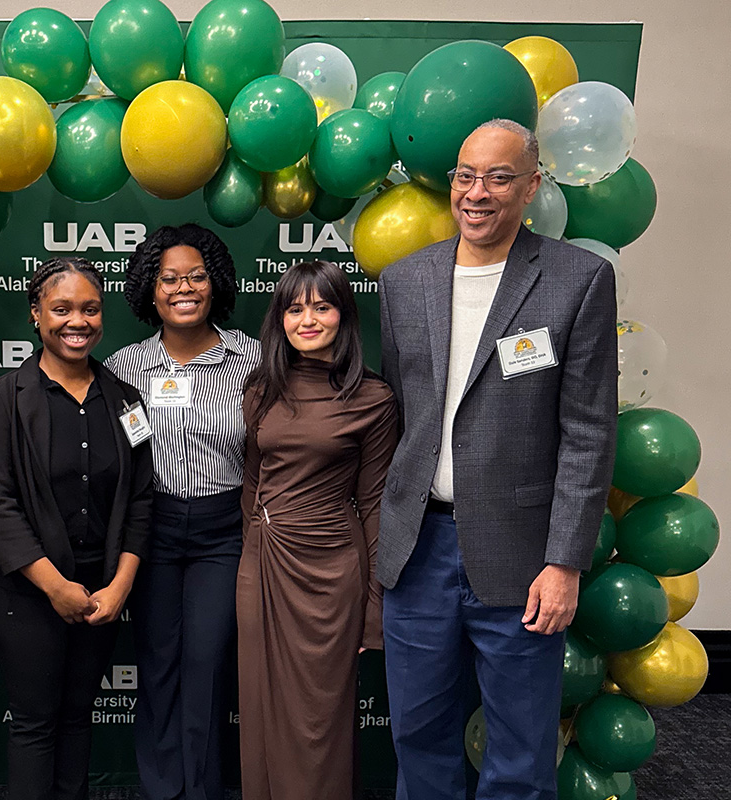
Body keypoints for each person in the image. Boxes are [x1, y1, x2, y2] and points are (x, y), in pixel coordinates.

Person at [377, 120, 617, 800]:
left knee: (520, 747)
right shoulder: (404, 281)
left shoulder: (578, 280)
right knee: (418, 735)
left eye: (499, 176)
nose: (477, 192)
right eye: (465, 175)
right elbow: (403, 414)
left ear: (533, 184)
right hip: (417, 550)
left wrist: (565, 561)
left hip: (523, 555)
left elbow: (588, 431)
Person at [0, 256, 153, 800]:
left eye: (90, 309)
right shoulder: (3, 399)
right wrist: (55, 588)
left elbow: (141, 498)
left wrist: (120, 586)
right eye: (61, 309)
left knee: (79, 718)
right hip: (29, 592)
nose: (77, 321)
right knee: (35, 723)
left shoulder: (125, 399)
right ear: (35, 314)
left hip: (101, 591)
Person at [105, 224, 260, 800]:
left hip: (225, 529)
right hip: (153, 530)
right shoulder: (126, 366)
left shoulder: (252, 357)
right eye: (169, 278)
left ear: (215, 283)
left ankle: (203, 789)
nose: (183, 288)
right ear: (150, 290)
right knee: (158, 663)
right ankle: (162, 790)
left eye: (195, 276)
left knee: (208, 660)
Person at [237, 260, 397, 799]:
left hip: (332, 577)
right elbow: (253, 485)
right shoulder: (261, 390)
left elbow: (375, 506)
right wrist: (250, 561)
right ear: (279, 318)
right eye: (295, 307)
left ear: (343, 316)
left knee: (318, 722)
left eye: (321, 306)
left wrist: (373, 610)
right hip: (262, 567)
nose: (307, 319)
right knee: (261, 706)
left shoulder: (374, 401)